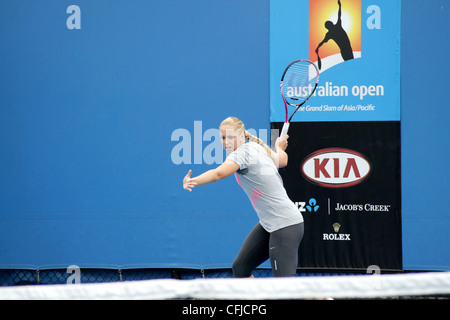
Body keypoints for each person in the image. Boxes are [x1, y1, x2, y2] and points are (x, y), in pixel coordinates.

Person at [183, 117, 304, 277]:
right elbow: (282, 160)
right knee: (240, 268)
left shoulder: (242, 154)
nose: (225, 141)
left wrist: (193, 181)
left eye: (230, 137)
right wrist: (279, 147)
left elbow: (218, 173)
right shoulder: (255, 147)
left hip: (284, 224)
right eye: (222, 137)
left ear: (241, 136)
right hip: (270, 224)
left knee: (286, 287)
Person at [315, 0, 354, 67]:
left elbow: (339, 15)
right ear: (330, 25)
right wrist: (339, 5)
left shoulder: (330, 33)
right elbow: (339, 15)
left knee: (350, 65)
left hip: (346, 50)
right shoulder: (335, 28)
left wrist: (317, 48)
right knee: (351, 65)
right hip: (346, 50)